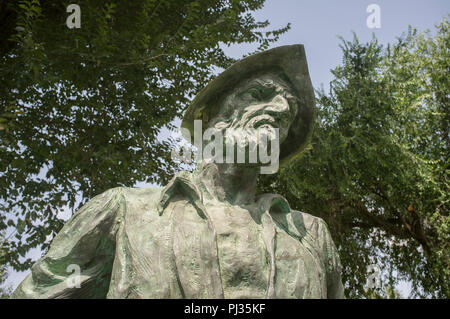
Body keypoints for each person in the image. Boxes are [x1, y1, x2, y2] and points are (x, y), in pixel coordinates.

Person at [12, 45, 345, 299]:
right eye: (259, 95)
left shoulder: (311, 236)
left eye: (290, 108)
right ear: (214, 119)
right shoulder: (124, 213)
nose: (281, 109)